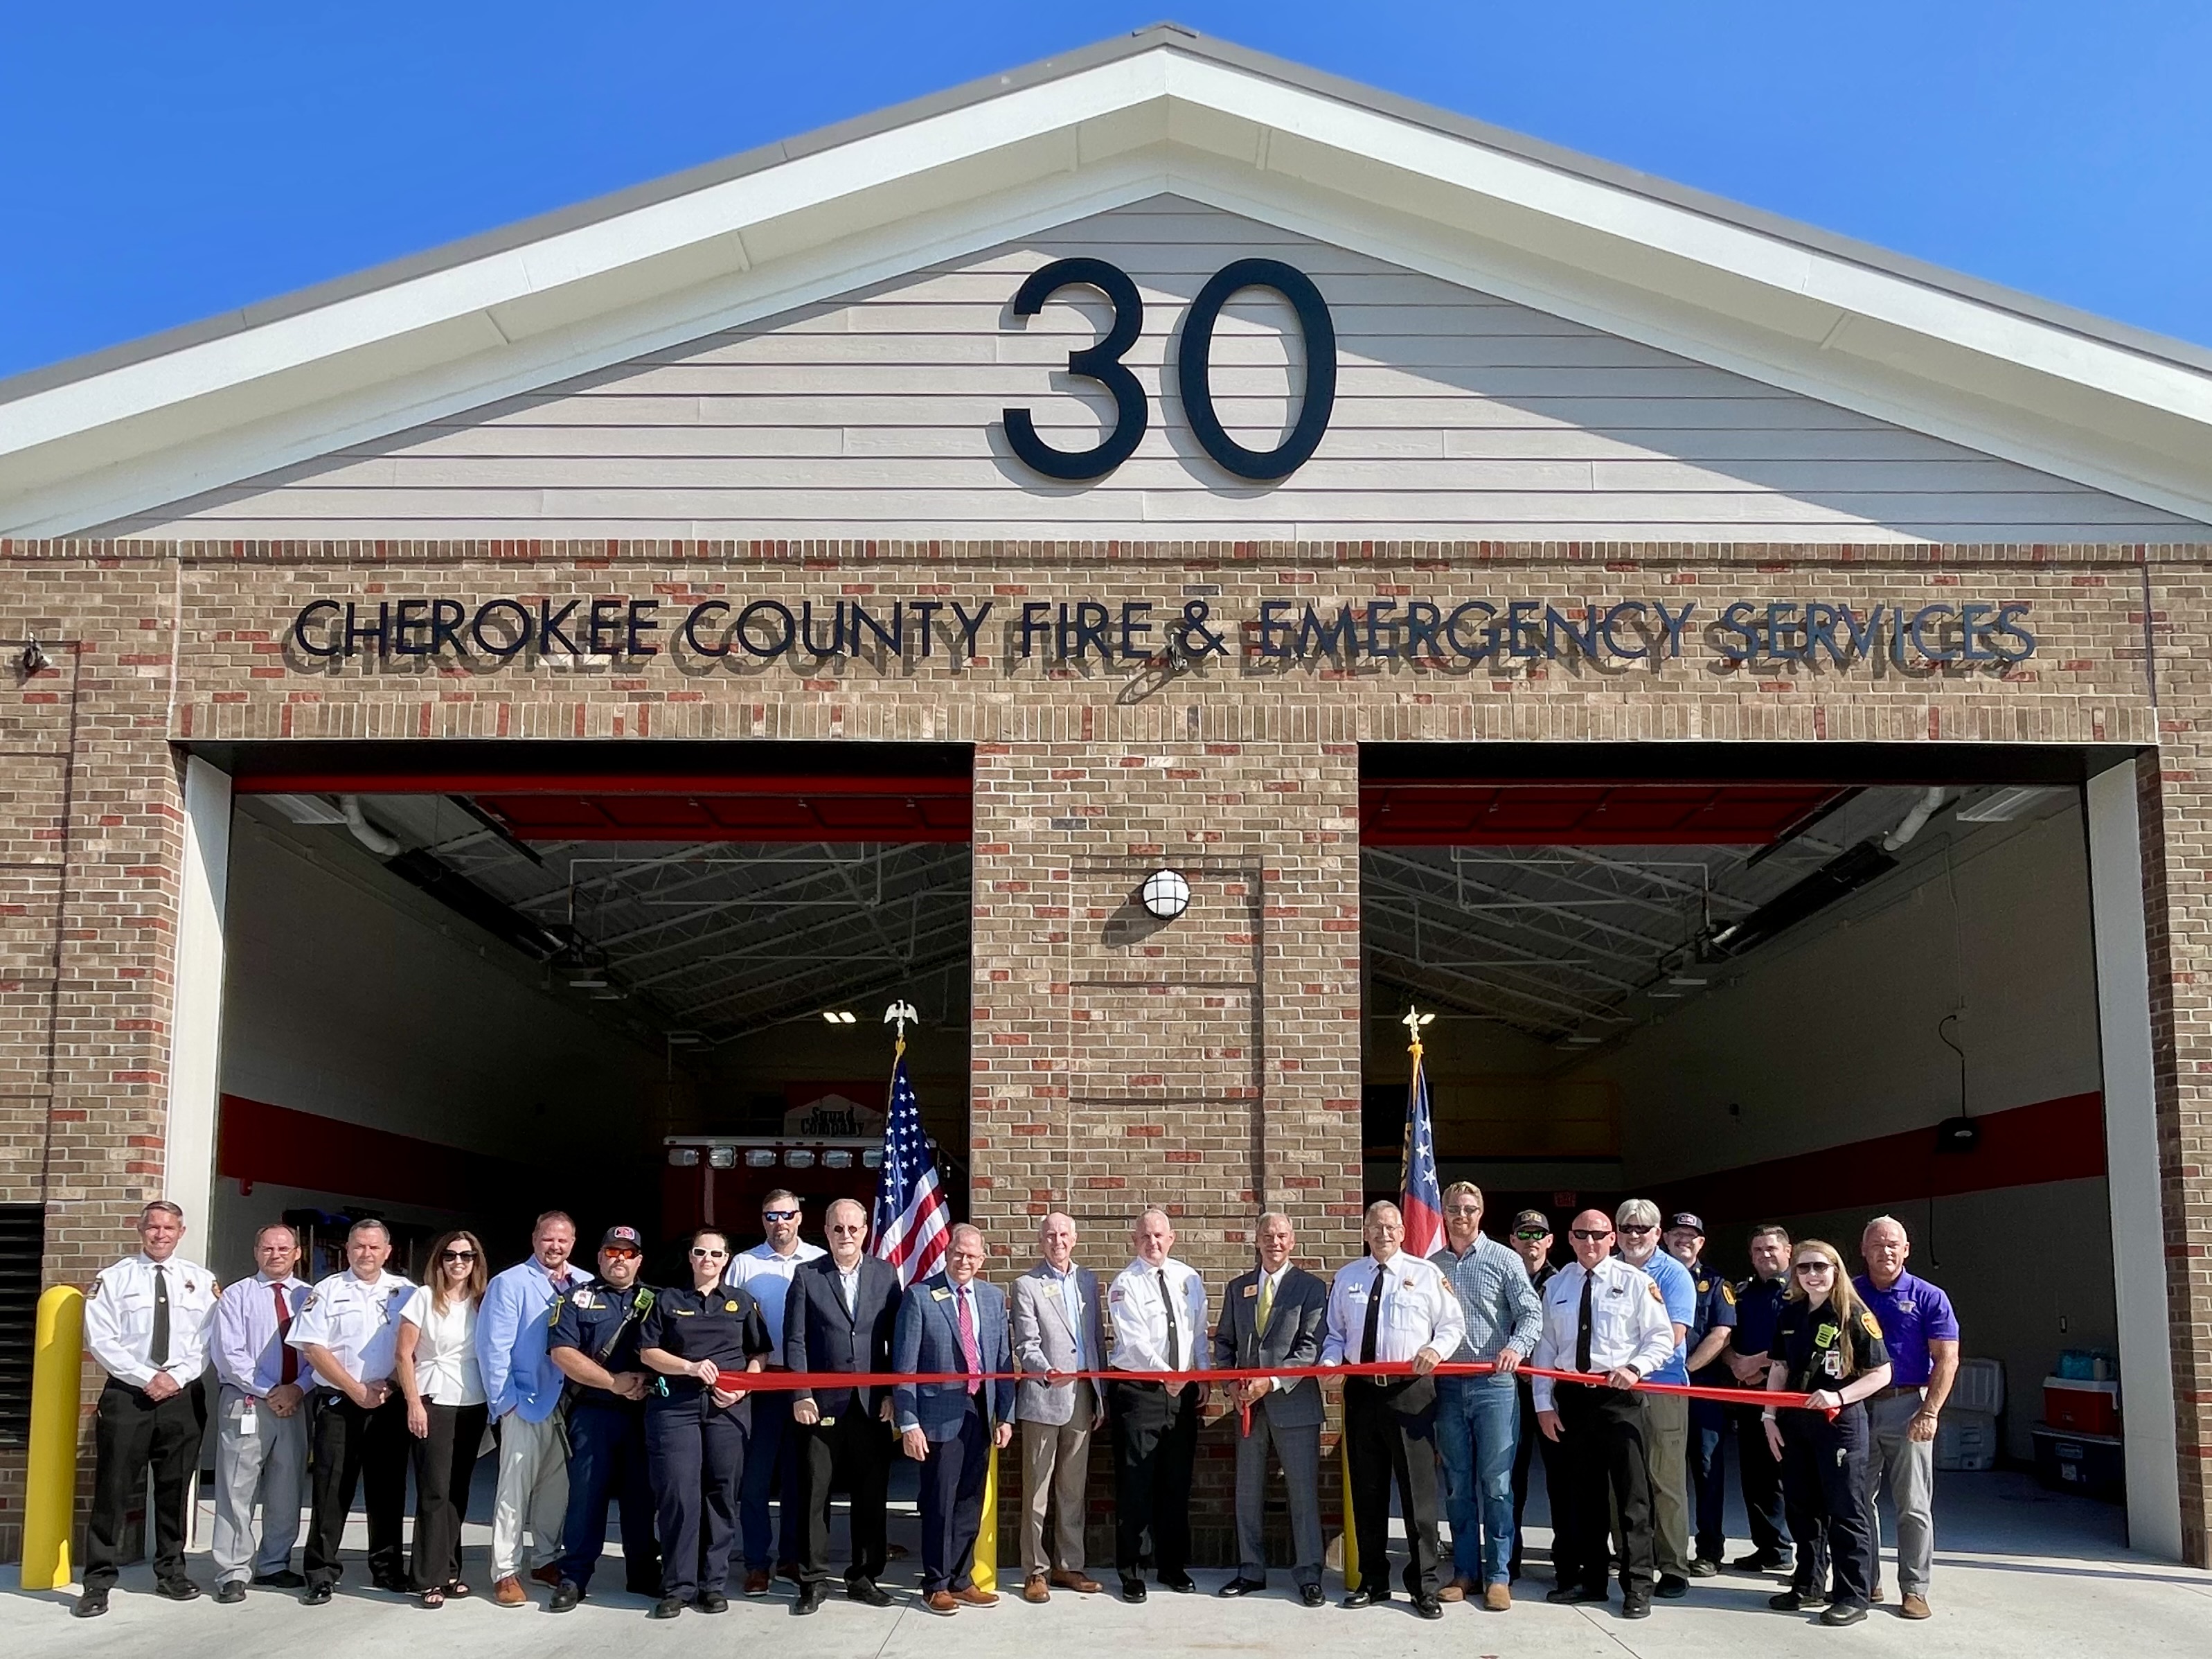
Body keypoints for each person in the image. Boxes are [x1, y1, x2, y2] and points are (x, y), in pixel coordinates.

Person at [1321, 1198, 1466, 1620]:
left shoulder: (1425, 1275)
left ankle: (1424, 1585)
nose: (1383, 1234)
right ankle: (1373, 1580)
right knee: (1367, 1492)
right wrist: (1331, 1365)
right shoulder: (1348, 1277)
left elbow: (1452, 1325)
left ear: (1403, 1233)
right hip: (1363, 1394)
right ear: (1366, 1232)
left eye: (1391, 1227)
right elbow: (1335, 1334)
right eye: (1375, 1227)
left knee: (1417, 1495)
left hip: (1410, 1394)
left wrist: (1435, 1350)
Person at [75, 1199, 220, 1617]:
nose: (160, 1235)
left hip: (182, 1395)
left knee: (175, 1489)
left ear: (181, 1232)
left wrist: (175, 1377)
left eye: (169, 1228)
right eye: (153, 1227)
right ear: (141, 1231)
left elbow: (208, 1340)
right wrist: (146, 1377)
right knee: (113, 1488)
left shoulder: (201, 1279)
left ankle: (172, 1571)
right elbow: (100, 1339)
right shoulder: (114, 1278)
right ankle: (98, 1581)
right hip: (128, 1396)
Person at [1530, 1208, 1673, 1620]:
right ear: (1570, 1239)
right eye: (1581, 1235)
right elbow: (1545, 1348)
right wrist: (1543, 1403)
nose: (1590, 1242)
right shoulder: (1558, 1285)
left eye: (1598, 1235)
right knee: (1584, 1497)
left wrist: (1635, 1368)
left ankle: (1638, 1585)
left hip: (1620, 1398)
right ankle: (1592, 1580)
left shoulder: (1635, 1282)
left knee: (1633, 1498)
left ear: (1612, 1238)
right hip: (1575, 1399)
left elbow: (1660, 1338)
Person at [638, 1227, 771, 1619]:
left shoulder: (743, 1302)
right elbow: (648, 1352)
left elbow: (759, 1354)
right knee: (678, 1494)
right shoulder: (667, 1299)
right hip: (675, 1408)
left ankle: (712, 1584)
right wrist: (690, 1367)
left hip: (727, 1410)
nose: (708, 1260)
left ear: (726, 1259)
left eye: (716, 1254)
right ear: (691, 1257)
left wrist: (743, 1389)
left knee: (721, 1493)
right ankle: (678, 1585)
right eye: (700, 1252)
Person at [1765, 1239, 1892, 1627]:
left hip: (1840, 1425)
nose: (1812, 1275)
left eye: (1820, 1267)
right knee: (1802, 1507)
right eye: (1803, 1268)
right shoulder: (1790, 1314)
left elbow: (1882, 1373)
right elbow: (1779, 1368)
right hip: (1795, 1422)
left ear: (1835, 1270)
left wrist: (1839, 1395)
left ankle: (1853, 1594)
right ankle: (1808, 1583)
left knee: (1847, 1509)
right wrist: (1768, 1417)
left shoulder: (1854, 1314)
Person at [784, 1198, 902, 1613]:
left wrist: (892, 1392)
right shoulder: (806, 1276)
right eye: (838, 1229)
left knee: (871, 1495)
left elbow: (895, 1342)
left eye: (853, 1229)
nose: (846, 1236)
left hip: (872, 1406)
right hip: (821, 1405)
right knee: (815, 1494)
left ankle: (864, 1576)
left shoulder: (886, 1275)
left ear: (865, 1230)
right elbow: (795, 1340)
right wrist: (801, 1394)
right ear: (827, 1230)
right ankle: (813, 1580)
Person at [290, 1217, 416, 1604]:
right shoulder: (327, 1290)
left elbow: (416, 1349)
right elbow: (313, 1347)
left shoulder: (408, 1292)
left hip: (388, 1403)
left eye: (374, 1247)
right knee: (331, 1490)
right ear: (347, 1250)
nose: (366, 1253)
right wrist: (356, 1389)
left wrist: (390, 1385)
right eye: (359, 1246)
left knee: (388, 1490)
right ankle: (322, 1572)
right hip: (340, 1404)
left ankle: (387, 1568)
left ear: (388, 1251)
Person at [1429, 1181, 1542, 1611]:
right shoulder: (1432, 1265)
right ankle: (1464, 1572)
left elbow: (1532, 1311)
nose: (1462, 1215)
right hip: (1448, 1386)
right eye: (1455, 1208)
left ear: (1482, 1212)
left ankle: (1498, 1575)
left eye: (1470, 1208)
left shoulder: (1505, 1259)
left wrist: (1517, 1346)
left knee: (1496, 1484)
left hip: (1494, 1385)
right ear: (1443, 1212)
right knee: (1458, 1485)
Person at [894, 1222, 1016, 1615]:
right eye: (958, 1253)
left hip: (980, 1412)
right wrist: (908, 1422)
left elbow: (1003, 1362)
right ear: (948, 1253)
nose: (965, 1261)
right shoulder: (920, 1297)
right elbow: (904, 1367)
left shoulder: (993, 1299)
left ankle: (962, 1579)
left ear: (983, 1259)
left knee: (969, 1500)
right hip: (936, 1416)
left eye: (972, 1255)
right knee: (939, 1501)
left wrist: (1006, 1416)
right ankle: (935, 1583)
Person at [1211, 1210, 1329, 1608]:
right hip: (1247, 1408)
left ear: (1292, 1242)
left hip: (1294, 1405)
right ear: (1256, 1241)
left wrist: (1272, 1381)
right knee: (1247, 1491)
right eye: (1267, 1236)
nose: (1274, 1242)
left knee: (1303, 1494)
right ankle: (1250, 1569)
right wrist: (1230, 1383)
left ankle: (1310, 1573)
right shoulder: (1238, 1287)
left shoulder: (1311, 1288)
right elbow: (1224, 1343)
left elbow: (1311, 1346)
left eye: (1281, 1236)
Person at [547, 1224, 663, 1610]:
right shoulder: (576, 1300)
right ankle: (574, 1576)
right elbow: (563, 1353)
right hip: (594, 1413)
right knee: (586, 1496)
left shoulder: (658, 1300)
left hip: (643, 1414)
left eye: (629, 1253)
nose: (620, 1259)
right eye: (613, 1252)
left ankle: (644, 1572)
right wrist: (613, 1382)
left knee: (641, 1497)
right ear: (599, 1257)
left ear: (639, 1260)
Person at [1854, 1215, 1960, 1620]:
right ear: (1863, 1250)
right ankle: (1866, 1580)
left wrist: (1929, 1411)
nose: (1885, 1251)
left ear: (1906, 1250)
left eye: (1893, 1244)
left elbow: (1947, 1359)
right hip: (1857, 1407)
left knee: (1914, 1505)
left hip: (1908, 1408)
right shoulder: (1849, 1294)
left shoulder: (1930, 1296)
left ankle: (1915, 1589)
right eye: (1877, 1244)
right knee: (1857, 1499)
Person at [1104, 1205, 1208, 1602]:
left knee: (1176, 1482)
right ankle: (1132, 1570)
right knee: (1136, 1483)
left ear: (1172, 1238)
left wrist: (1201, 1373)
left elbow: (1198, 1331)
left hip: (1181, 1394)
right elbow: (1133, 1342)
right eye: (1145, 1236)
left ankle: (1172, 1566)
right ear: (1135, 1240)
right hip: (1141, 1393)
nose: (1153, 1242)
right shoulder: (1125, 1284)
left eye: (1160, 1235)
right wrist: (1169, 1375)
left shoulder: (1189, 1278)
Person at [725, 1188, 826, 1596]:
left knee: (800, 1478)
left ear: (799, 1217)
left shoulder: (820, 1261)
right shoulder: (744, 1264)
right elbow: (729, 1323)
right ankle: (755, 1562)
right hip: (760, 1384)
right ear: (762, 1219)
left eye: (786, 1215)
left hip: (806, 1384)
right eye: (771, 1216)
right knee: (755, 1479)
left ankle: (790, 1557)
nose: (779, 1223)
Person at [478, 1210, 580, 1606]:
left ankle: (546, 1557)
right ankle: (505, 1570)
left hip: (568, 1403)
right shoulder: (509, 1283)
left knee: (558, 1488)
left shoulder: (584, 1283)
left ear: (572, 1243)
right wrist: (505, 1404)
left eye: (563, 1240)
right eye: (548, 1239)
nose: (555, 1246)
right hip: (525, 1400)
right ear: (534, 1238)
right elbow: (493, 1348)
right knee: (514, 1490)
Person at [206, 1222, 310, 1604]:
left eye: (284, 1249)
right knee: (237, 1487)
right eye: (268, 1249)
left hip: (296, 1402)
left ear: (297, 1253)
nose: (276, 1255)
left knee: (287, 1487)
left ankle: (275, 1564)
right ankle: (233, 1569)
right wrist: (272, 1391)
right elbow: (229, 1355)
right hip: (248, 1401)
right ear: (256, 1253)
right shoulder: (236, 1296)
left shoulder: (311, 1296)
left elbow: (322, 1350)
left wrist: (298, 1388)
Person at [1009, 1211, 1107, 1604]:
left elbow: (1097, 1340)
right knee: (1037, 1490)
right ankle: (1035, 1570)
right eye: (1050, 1235)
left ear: (1075, 1238)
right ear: (1041, 1241)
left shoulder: (1088, 1281)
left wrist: (1099, 1394)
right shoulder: (1026, 1285)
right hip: (1044, 1394)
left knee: (1073, 1489)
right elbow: (1025, 1343)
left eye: (1064, 1234)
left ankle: (1069, 1564)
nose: (1058, 1241)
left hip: (1083, 1393)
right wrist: (1043, 1369)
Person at [395, 1230, 490, 1607]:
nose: (457, 1263)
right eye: (450, 1256)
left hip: (472, 1399)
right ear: (439, 1260)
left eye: (466, 1257)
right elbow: (404, 1355)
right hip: (433, 1397)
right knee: (434, 1490)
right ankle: (427, 1577)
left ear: (476, 1262)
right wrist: (413, 1403)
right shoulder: (422, 1298)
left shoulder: (483, 1302)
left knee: (457, 1492)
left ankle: (451, 1569)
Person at [1615, 1198, 1695, 1599]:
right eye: (1627, 1228)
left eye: (1642, 1229)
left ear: (1657, 1233)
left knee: (1665, 1480)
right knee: (1622, 1479)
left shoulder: (1674, 1274)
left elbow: (1676, 1333)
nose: (1634, 1236)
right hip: (1615, 1388)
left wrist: (1635, 1367)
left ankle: (1673, 1566)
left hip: (1661, 1386)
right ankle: (1630, 1556)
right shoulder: (1606, 1270)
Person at [1664, 1212, 1737, 1576]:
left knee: (1706, 1469)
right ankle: (1652, 1546)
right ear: (1665, 1238)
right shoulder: (1649, 1277)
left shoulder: (1716, 1284)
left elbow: (1721, 1333)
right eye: (1677, 1234)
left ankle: (1709, 1550)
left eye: (1691, 1236)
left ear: (1701, 1243)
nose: (1684, 1241)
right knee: (1655, 1468)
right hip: (1655, 1388)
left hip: (1702, 1391)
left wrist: (1685, 1371)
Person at [1726, 1225, 1795, 1574]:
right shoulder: (1742, 1292)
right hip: (1748, 1393)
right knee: (1755, 1476)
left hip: (1787, 1396)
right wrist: (1738, 1366)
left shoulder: (1801, 1291)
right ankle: (1770, 1548)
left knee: (1790, 1475)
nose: (1765, 1255)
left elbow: (1799, 1342)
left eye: (1771, 1249)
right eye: (1758, 1250)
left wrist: (1758, 1364)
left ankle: (1804, 1556)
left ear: (1788, 1251)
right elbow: (1726, 1335)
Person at [1506, 1209, 1562, 1583]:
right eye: (1524, 1234)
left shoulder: (1563, 1282)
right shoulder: (1502, 1277)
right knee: (1510, 1478)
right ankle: (1508, 1558)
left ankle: (1566, 1557)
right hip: (1511, 1392)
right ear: (1513, 1240)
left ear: (1550, 1240)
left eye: (1538, 1235)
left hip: (1555, 1395)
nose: (1532, 1242)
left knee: (1562, 1478)